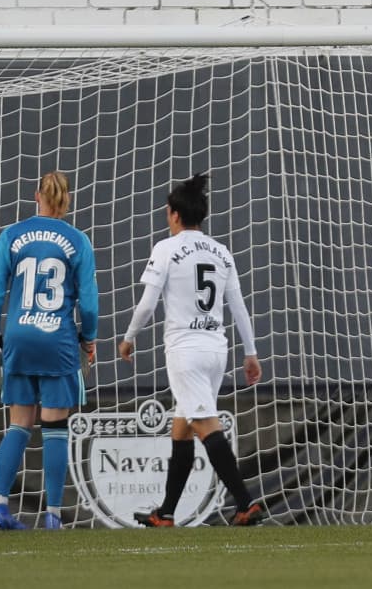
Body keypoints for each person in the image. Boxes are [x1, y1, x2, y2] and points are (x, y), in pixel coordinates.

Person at [117, 173, 264, 527]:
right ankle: (165, 513)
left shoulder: (166, 249)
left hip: (185, 351)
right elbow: (238, 306)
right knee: (181, 429)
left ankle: (245, 503)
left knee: (205, 424)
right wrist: (251, 352)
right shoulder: (221, 251)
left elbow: (148, 303)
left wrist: (129, 336)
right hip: (217, 350)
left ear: (174, 214)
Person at [0, 171, 98, 530]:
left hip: (18, 337)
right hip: (57, 340)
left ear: (36, 196)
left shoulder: (12, 235)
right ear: (66, 200)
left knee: (18, 425)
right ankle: (52, 515)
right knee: (55, 427)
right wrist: (89, 338)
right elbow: (90, 302)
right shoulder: (77, 240)